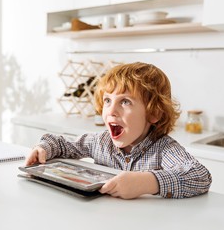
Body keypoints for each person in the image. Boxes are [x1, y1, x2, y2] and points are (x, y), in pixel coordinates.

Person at [25, 62, 212, 199]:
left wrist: (147, 182)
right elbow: (64, 145)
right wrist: (44, 147)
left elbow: (199, 175)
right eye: (107, 101)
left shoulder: (163, 149)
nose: (111, 111)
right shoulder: (101, 142)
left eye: (125, 101)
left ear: (154, 113)